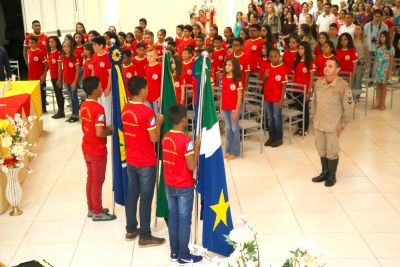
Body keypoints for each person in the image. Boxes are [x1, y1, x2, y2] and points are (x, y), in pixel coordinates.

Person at [122, 76, 165, 246]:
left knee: (132, 194)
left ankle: (131, 229)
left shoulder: (125, 108)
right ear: (141, 91)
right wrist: (159, 123)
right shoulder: (148, 112)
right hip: (146, 161)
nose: (148, 91)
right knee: (146, 198)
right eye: (146, 88)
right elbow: (154, 138)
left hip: (131, 159)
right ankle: (145, 236)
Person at [162, 103, 202, 264]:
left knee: (173, 218)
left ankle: (174, 252)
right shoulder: (186, 142)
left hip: (169, 184)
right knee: (184, 220)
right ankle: (184, 255)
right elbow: (191, 166)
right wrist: (197, 149)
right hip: (184, 186)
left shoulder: (166, 138)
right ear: (184, 119)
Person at [311, 57, 354, 187]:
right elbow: (314, 103)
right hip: (319, 123)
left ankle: (332, 175)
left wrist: (343, 125)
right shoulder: (318, 83)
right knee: (321, 149)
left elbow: (349, 106)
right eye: (325, 65)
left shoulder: (343, 86)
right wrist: (314, 118)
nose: (326, 68)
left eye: (330, 66)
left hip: (333, 125)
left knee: (332, 150)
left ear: (337, 69)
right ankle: (324, 172)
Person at [80, 76, 115, 221]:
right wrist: (110, 130)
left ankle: (91, 207)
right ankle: (97, 212)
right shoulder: (98, 108)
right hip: (97, 149)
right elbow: (99, 132)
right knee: (97, 180)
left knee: (91, 178)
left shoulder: (83, 106)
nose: (102, 89)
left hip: (87, 146)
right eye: (100, 87)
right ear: (95, 91)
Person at [263, 48, 287, 148]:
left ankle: (279, 138)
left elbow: (284, 85)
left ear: (279, 56)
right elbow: (264, 83)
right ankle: (271, 136)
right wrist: (265, 76)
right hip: (268, 98)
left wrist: (282, 99)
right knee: (269, 118)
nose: (273, 58)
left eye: (275, 56)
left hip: (277, 99)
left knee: (277, 118)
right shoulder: (268, 67)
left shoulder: (282, 68)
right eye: (271, 57)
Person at [221, 57, 243, 160]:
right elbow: (222, 94)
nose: (227, 67)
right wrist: (221, 108)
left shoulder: (238, 80)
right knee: (228, 129)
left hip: (233, 108)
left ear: (234, 67)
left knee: (234, 129)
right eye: (226, 65)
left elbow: (239, 97)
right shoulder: (224, 78)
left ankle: (235, 151)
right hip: (225, 107)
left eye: (229, 65)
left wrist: (236, 111)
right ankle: (228, 150)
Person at [293, 41, 316, 136]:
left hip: (304, 90)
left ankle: (305, 128)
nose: (300, 50)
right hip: (296, 89)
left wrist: (309, 90)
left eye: (302, 48)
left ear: (306, 50)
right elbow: (295, 75)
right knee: (298, 109)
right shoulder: (297, 61)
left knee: (304, 109)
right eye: (299, 48)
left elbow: (311, 78)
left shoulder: (310, 62)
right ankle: (299, 127)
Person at [92, 36, 112, 126]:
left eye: (95, 45)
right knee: (99, 107)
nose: (93, 47)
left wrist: (108, 88)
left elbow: (110, 74)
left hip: (105, 88)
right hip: (97, 88)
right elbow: (93, 70)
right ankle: (102, 124)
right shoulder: (95, 55)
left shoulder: (107, 56)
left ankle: (108, 126)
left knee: (107, 108)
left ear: (101, 45)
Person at [373, 31, 394, 110]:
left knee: (383, 86)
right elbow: (376, 59)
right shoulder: (378, 47)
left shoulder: (390, 48)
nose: (382, 38)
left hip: (385, 69)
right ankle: (378, 103)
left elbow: (391, 61)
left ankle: (383, 104)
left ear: (387, 38)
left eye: (384, 37)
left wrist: (389, 71)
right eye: (381, 36)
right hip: (378, 69)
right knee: (378, 86)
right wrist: (374, 69)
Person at [27, 36, 48, 113]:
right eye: (29, 42)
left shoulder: (40, 52)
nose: (30, 44)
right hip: (31, 77)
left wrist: (43, 75)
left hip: (40, 77)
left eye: (32, 43)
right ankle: (35, 108)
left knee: (42, 94)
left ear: (36, 43)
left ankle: (43, 108)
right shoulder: (28, 51)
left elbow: (46, 65)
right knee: (33, 94)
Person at [62, 40, 80, 123]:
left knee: (74, 98)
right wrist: (63, 81)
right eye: (64, 46)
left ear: (70, 47)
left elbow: (77, 71)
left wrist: (75, 82)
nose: (66, 48)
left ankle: (76, 115)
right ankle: (73, 114)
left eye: (67, 46)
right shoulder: (63, 57)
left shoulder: (74, 57)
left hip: (72, 81)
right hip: (66, 81)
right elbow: (64, 70)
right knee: (70, 98)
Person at [47, 36, 64, 119]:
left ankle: (61, 111)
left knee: (59, 94)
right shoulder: (50, 53)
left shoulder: (58, 53)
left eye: (52, 42)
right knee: (57, 94)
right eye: (49, 42)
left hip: (58, 77)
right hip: (53, 77)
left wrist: (60, 79)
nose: (50, 44)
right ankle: (59, 111)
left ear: (56, 43)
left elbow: (59, 67)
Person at [144, 47, 162, 114]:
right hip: (147, 96)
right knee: (150, 116)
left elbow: (162, 83)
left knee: (157, 115)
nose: (148, 58)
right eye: (147, 56)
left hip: (157, 97)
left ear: (156, 56)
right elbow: (146, 82)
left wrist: (160, 96)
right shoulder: (146, 67)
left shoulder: (160, 67)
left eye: (151, 56)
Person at [353, 23, 369, 97]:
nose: (356, 30)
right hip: (352, 62)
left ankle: (357, 97)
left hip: (360, 61)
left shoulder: (364, 41)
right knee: (352, 79)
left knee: (358, 80)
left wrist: (366, 64)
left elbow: (367, 53)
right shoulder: (351, 39)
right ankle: (352, 96)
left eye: (358, 29)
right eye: (355, 29)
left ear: (361, 31)